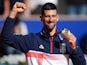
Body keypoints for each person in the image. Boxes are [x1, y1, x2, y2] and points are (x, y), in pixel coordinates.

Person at [0, 2, 86, 65]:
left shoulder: (66, 41)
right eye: (47, 16)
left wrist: (75, 48)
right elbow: (6, 37)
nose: (50, 19)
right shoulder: (31, 41)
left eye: (53, 16)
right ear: (41, 18)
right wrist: (13, 12)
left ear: (57, 18)